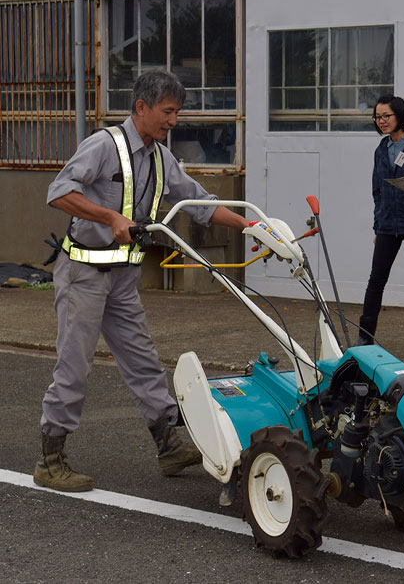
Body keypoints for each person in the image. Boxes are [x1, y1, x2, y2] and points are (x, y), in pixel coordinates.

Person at [34, 69, 251, 493]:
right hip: (83, 275)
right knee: (74, 366)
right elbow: (58, 191)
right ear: (141, 108)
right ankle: (50, 458)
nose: (174, 120)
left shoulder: (160, 157)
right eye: (168, 111)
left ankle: (168, 446)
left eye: (178, 113)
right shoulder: (103, 145)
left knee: (144, 361)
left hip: (122, 279)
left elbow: (200, 204)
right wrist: (110, 216)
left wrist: (251, 225)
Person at [357, 95, 404, 355]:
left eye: (386, 116)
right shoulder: (381, 149)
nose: (381, 122)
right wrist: (378, 226)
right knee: (376, 280)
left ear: (399, 115)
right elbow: (376, 190)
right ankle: (365, 337)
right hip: (388, 225)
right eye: (377, 117)